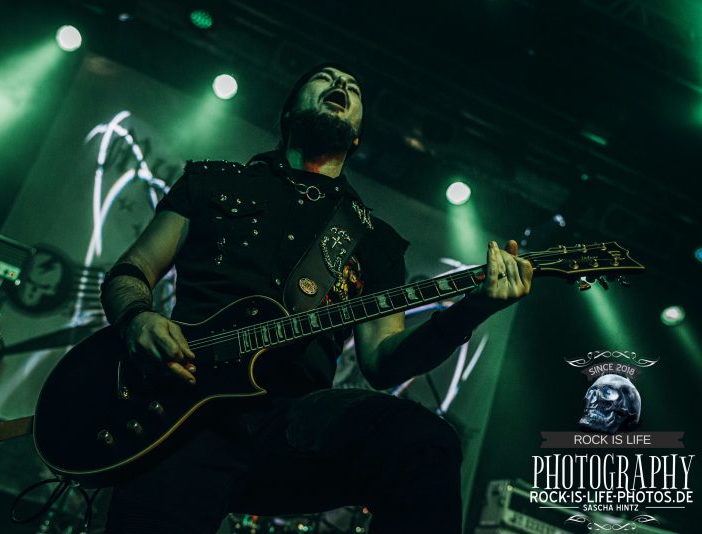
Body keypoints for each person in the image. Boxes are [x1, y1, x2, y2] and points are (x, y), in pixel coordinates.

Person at [100, 63, 533, 533]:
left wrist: (474, 308)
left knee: (426, 443)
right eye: (324, 78)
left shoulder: (373, 240)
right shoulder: (213, 182)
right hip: (181, 411)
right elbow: (131, 271)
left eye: (353, 88)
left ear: (357, 137)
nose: (341, 85)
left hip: (291, 425)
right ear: (288, 111)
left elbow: (382, 361)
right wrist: (137, 318)